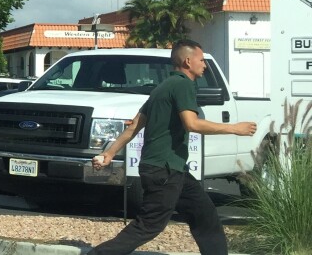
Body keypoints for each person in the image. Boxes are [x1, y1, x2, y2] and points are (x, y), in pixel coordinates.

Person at [88, 39, 257, 255]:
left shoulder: (162, 88)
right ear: (188, 61)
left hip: (172, 169)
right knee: (149, 225)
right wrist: (234, 128)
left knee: (205, 215)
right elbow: (192, 123)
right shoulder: (183, 84)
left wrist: (109, 153)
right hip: (165, 170)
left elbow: (133, 128)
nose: (204, 65)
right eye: (202, 60)